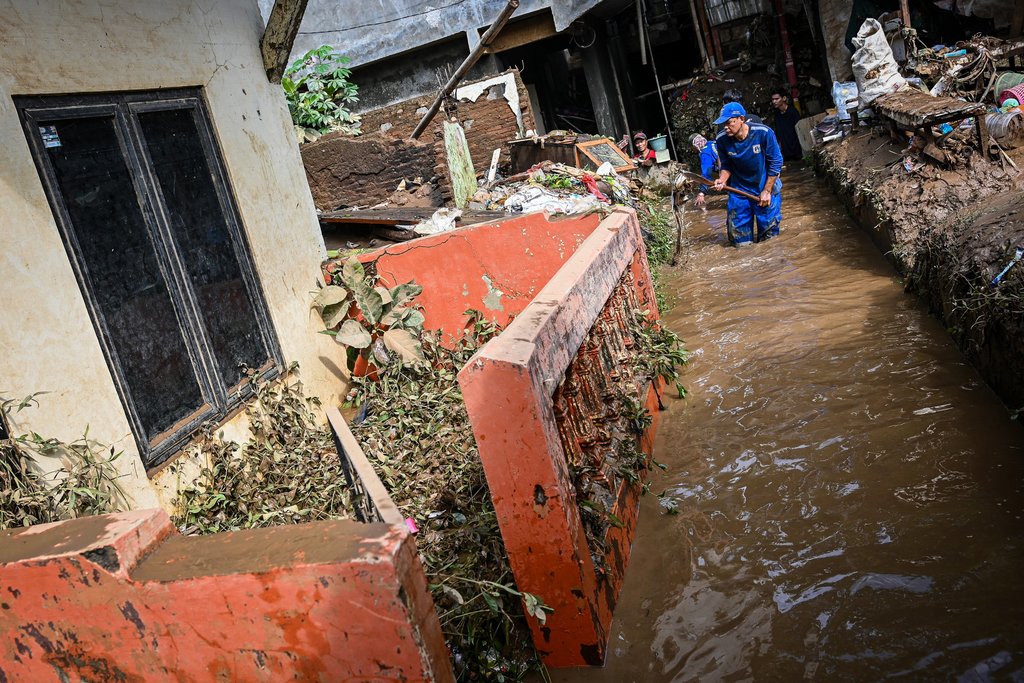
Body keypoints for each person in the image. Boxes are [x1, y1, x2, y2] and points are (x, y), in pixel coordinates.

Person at [712, 101, 783, 246]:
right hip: (739, 191)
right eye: (723, 124)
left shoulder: (763, 133)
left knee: (770, 243)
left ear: (741, 119)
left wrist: (767, 190)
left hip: (763, 188)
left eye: (729, 123)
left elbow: (776, 163)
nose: (725, 127)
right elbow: (726, 165)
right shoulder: (722, 139)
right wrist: (722, 180)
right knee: (741, 244)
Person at [770, 88, 803, 161]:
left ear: (784, 98)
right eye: (773, 99)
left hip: (797, 150)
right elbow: (778, 132)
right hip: (786, 152)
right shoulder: (776, 114)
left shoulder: (792, 112)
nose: (774, 101)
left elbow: (800, 130)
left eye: (777, 99)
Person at [689, 133, 719, 208]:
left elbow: (706, 173)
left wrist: (702, 192)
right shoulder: (712, 143)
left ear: (695, 145)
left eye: (692, 147)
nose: (693, 150)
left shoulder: (705, 153)